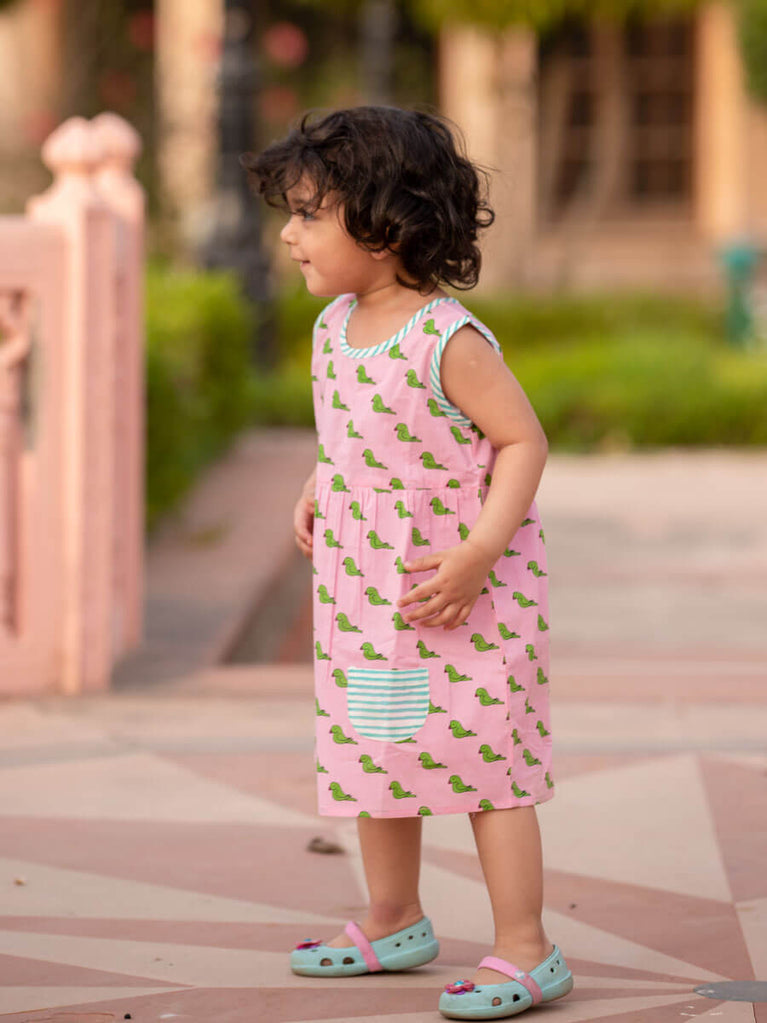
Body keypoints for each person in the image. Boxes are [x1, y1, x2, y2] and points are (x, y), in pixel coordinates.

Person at [241, 106, 573, 1020]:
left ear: (385, 226)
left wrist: (477, 554)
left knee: (487, 764)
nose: (288, 235)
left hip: (459, 591)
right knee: (375, 751)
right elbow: (356, 436)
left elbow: (522, 442)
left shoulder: (444, 338)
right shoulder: (333, 328)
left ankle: (526, 947)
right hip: (367, 598)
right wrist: (319, 482)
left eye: (308, 215)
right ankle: (393, 919)